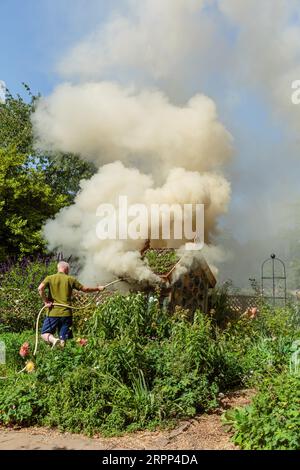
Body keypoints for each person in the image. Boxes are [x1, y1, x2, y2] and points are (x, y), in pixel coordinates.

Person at [38, 261, 104, 348]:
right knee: (63, 337)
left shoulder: (50, 278)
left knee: (44, 334)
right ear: (67, 269)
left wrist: (45, 301)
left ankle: (54, 340)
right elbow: (85, 289)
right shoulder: (70, 279)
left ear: (58, 268)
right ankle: (61, 350)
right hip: (66, 313)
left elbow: (40, 288)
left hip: (52, 312)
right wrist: (97, 288)